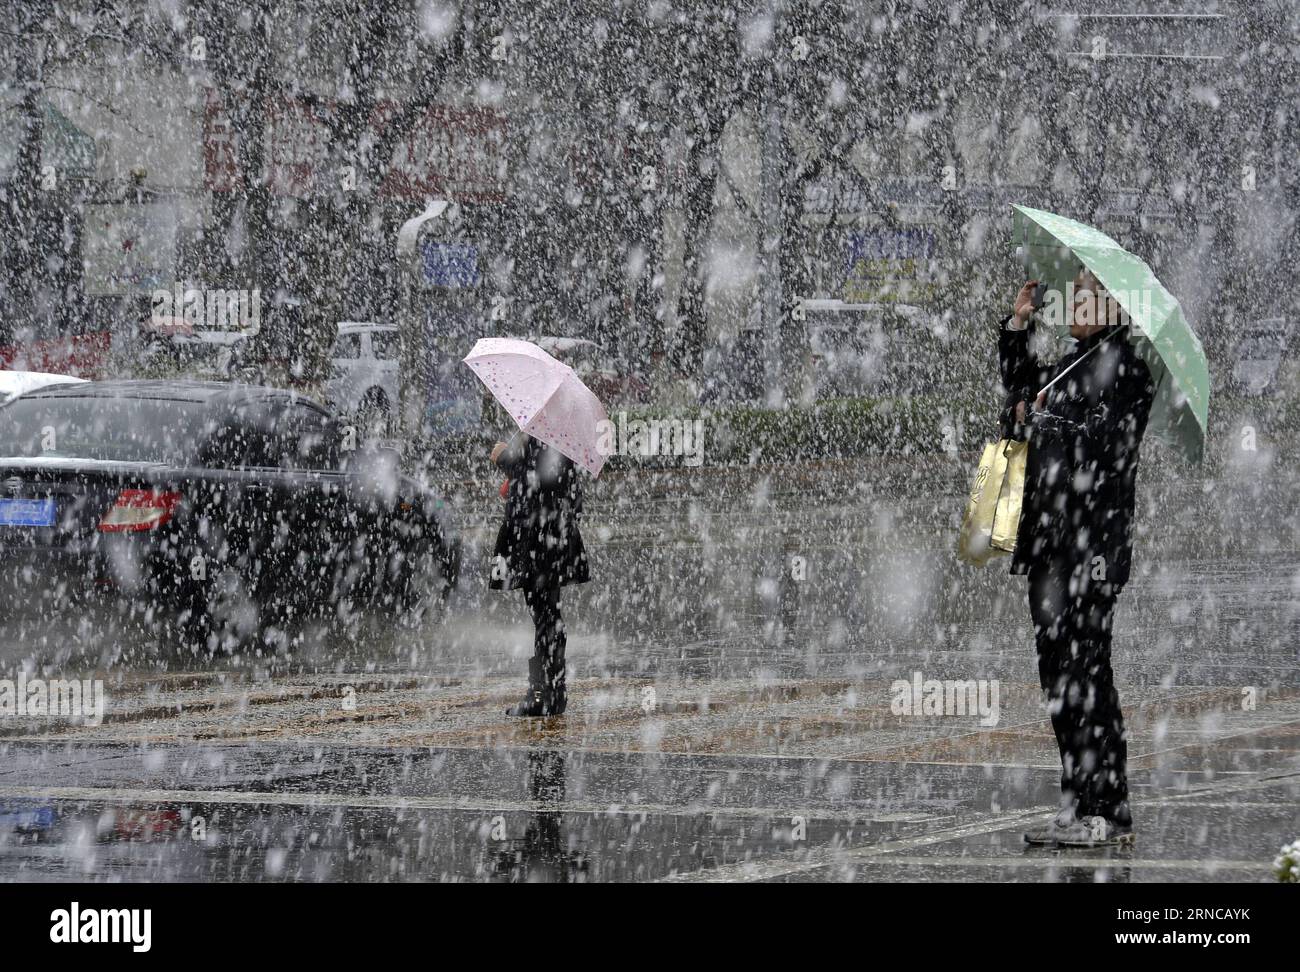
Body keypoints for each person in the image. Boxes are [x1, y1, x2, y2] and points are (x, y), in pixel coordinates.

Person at [999, 269, 1156, 847]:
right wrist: (1018, 328)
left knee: (1090, 671)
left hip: (1095, 545)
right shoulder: (1066, 362)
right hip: (1050, 545)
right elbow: (1016, 391)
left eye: (1088, 294)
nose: (1076, 302)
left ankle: (1106, 806)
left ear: (1117, 307)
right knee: (1056, 672)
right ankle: (1074, 794)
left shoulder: (1130, 371)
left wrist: (1050, 417)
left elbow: (1108, 444)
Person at [490, 433, 589, 717]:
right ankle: (550, 691)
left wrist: (505, 458)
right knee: (546, 613)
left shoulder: (543, 435)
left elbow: (541, 478)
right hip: (548, 535)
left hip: (538, 538)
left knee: (544, 613)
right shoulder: (557, 435)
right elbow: (558, 488)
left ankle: (544, 694)